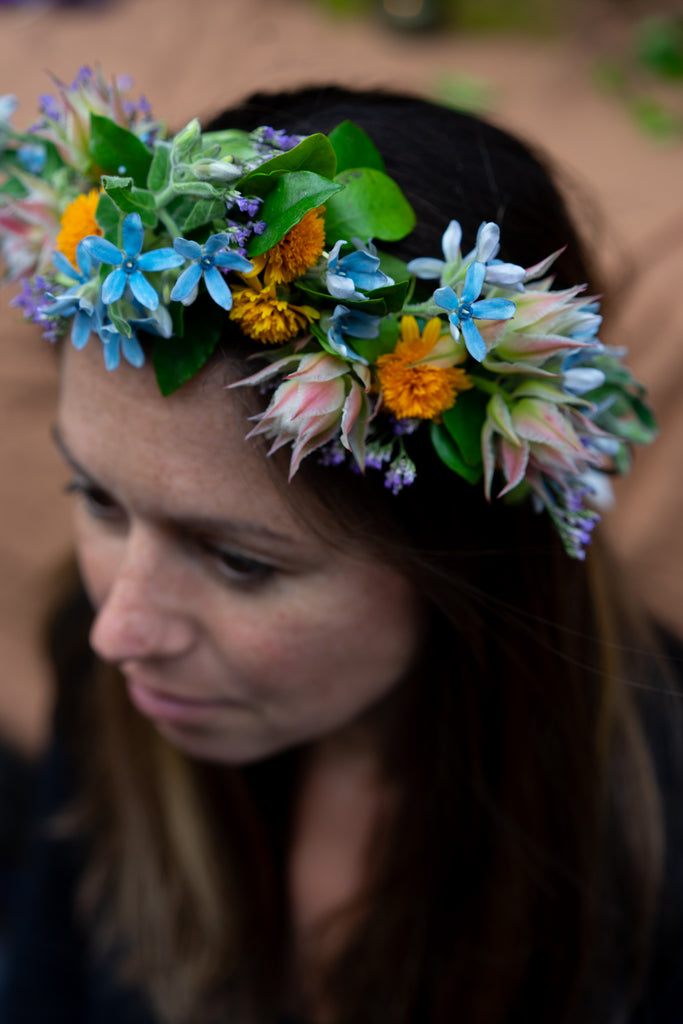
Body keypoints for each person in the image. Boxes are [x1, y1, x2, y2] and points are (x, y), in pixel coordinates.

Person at [0, 69, 680, 1024]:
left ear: (466, 563)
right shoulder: (98, 663)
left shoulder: (654, 859)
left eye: (240, 562)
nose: (120, 631)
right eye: (98, 500)